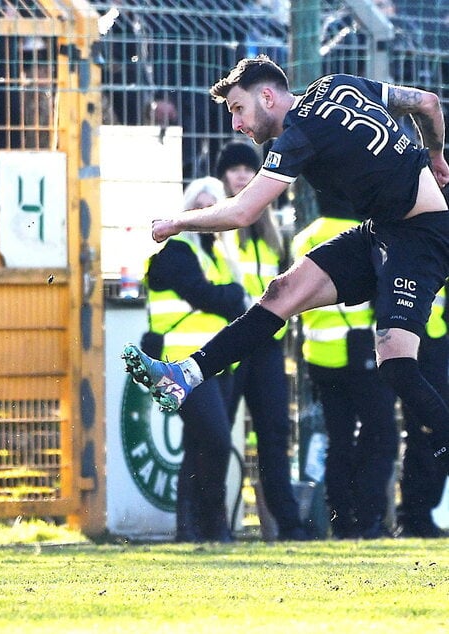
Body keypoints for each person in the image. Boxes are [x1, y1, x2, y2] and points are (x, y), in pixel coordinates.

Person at [121, 55, 449, 482]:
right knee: (282, 292)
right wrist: (436, 155)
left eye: (238, 109)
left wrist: (178, 221)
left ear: (268, 96)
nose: (237, 124)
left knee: (396, 365)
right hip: (383, 230)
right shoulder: (338, 84)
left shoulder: (299, 135)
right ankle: (185, 375)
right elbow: (425, 101)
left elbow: (243, 211)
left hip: (421, 236)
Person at [142, 176, 247, 542]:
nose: (204, 214)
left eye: (212, 207)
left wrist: (232, 294)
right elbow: (208, 297)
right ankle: (213, 524)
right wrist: (233, 293)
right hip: (181, 363)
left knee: (200, 443)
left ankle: (191, 529)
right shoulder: (177, 252)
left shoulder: (215, 253)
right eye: (197, 206)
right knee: (216, 440)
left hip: (213, 365)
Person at [215, 140, 310, 541]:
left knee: (273, 433)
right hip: (228, 345)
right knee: (218, 436)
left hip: (266, 347)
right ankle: (213, 521)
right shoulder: (219, 229)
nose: (240, 175)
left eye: (246, 169)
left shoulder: (273, 235)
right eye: (233, 169)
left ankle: (288, 526)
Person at [292, 211, 398, 539]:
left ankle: (342, 524)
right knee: (381, 436)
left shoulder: (305, 236)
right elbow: (381, 287)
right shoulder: (368, 232)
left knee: (339, 442)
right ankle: (369, 521)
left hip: (321, 355)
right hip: (362, 351)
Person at [398, 287, 449, 538]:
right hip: (419, 349)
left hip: (436, 348)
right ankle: (414, 516)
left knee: (434, 434)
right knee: (423, 435)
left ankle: (420, 514)